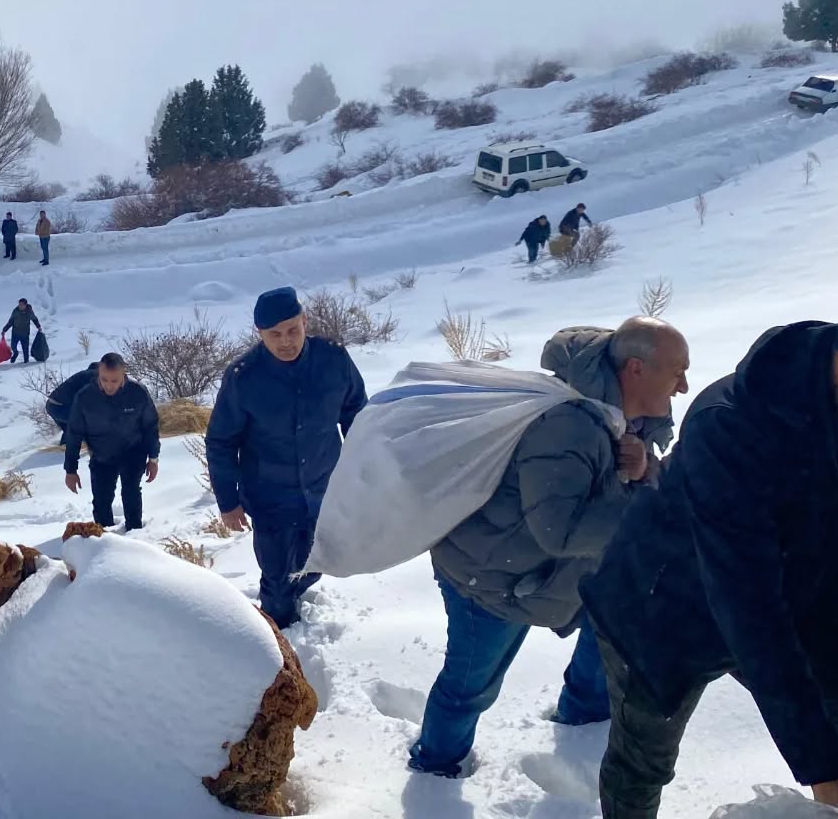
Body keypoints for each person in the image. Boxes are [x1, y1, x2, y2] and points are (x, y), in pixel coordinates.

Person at [581, 308, 838, 817]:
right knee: (644, 760)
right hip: (660, 608)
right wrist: (824, 767)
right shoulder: (730, 424)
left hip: (790, 597)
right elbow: (747, 601)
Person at [407, 318, 689, 780]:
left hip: (557, 573)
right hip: (491, 575)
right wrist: (645, 500)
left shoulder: (628, 415)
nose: (683, 386)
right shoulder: (567, 426)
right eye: (677, 372)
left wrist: (645, 472)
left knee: (609, 629)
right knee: (470, 684)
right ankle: (434, 768)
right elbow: (561, 531)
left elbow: (623, 484)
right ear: (636, 369)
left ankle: (583, 725)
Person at [205, 286, 367, 629]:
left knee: (318, 561)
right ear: (259, 333)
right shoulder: (243, 378)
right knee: (277, 578)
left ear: (305, 321)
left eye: (293, 330)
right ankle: (279, 632)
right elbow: (221, 441)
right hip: (270, 495)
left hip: (324, 486)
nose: (286, 342)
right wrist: (228, 502)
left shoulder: (334, 360)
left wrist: (361, 470)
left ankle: (295, 593)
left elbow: (356, 412)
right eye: (274, 334)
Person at [64, 353, 160, 531]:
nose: (109, 385)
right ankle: (104, 537)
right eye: (104, 379)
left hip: (133, 451)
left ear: (124, 373)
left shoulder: (138, 392)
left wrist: (153, 458)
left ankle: (135, 534)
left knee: (131, 492)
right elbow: (74, 434)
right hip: (102, 455)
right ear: (98, 373)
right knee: (101, 499)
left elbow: (151, 427)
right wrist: (71, 469)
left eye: (114, 380)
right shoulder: (85, 397)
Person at [46, 361, 100, 444]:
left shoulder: (83, 375)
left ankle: (64, 445)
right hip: (60, 408)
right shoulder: (93, 375)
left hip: (51, 406)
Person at [2, 298, 42, 364]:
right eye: (19, 304)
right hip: (15, 333)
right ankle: (16, 353)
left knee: (25, 349)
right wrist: (4, 330)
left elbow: (34, 319)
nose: (19, 306)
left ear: (25, 305)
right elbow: (10, 321)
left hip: (25, 333)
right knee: (13, 346)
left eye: (21, 305)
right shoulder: (15, 311)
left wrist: (38, 326)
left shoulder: (29, 311)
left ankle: (26, 362)